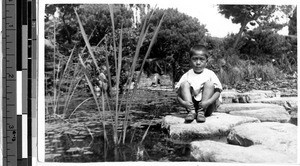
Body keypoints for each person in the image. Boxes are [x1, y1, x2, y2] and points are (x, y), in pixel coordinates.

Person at [175, 45, 222, 123]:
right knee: (184, 84)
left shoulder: (210, 74)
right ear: (190, 61)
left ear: (206, 62)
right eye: (194, 59)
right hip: (191, 107)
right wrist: (184, 103)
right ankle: (192, 112)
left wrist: (208, 102)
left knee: (209, 84)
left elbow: (218, 92)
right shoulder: (187, 75)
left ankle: (201, 112)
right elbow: (178, 94)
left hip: (207, 106)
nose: (198, 63)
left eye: (202, 59)